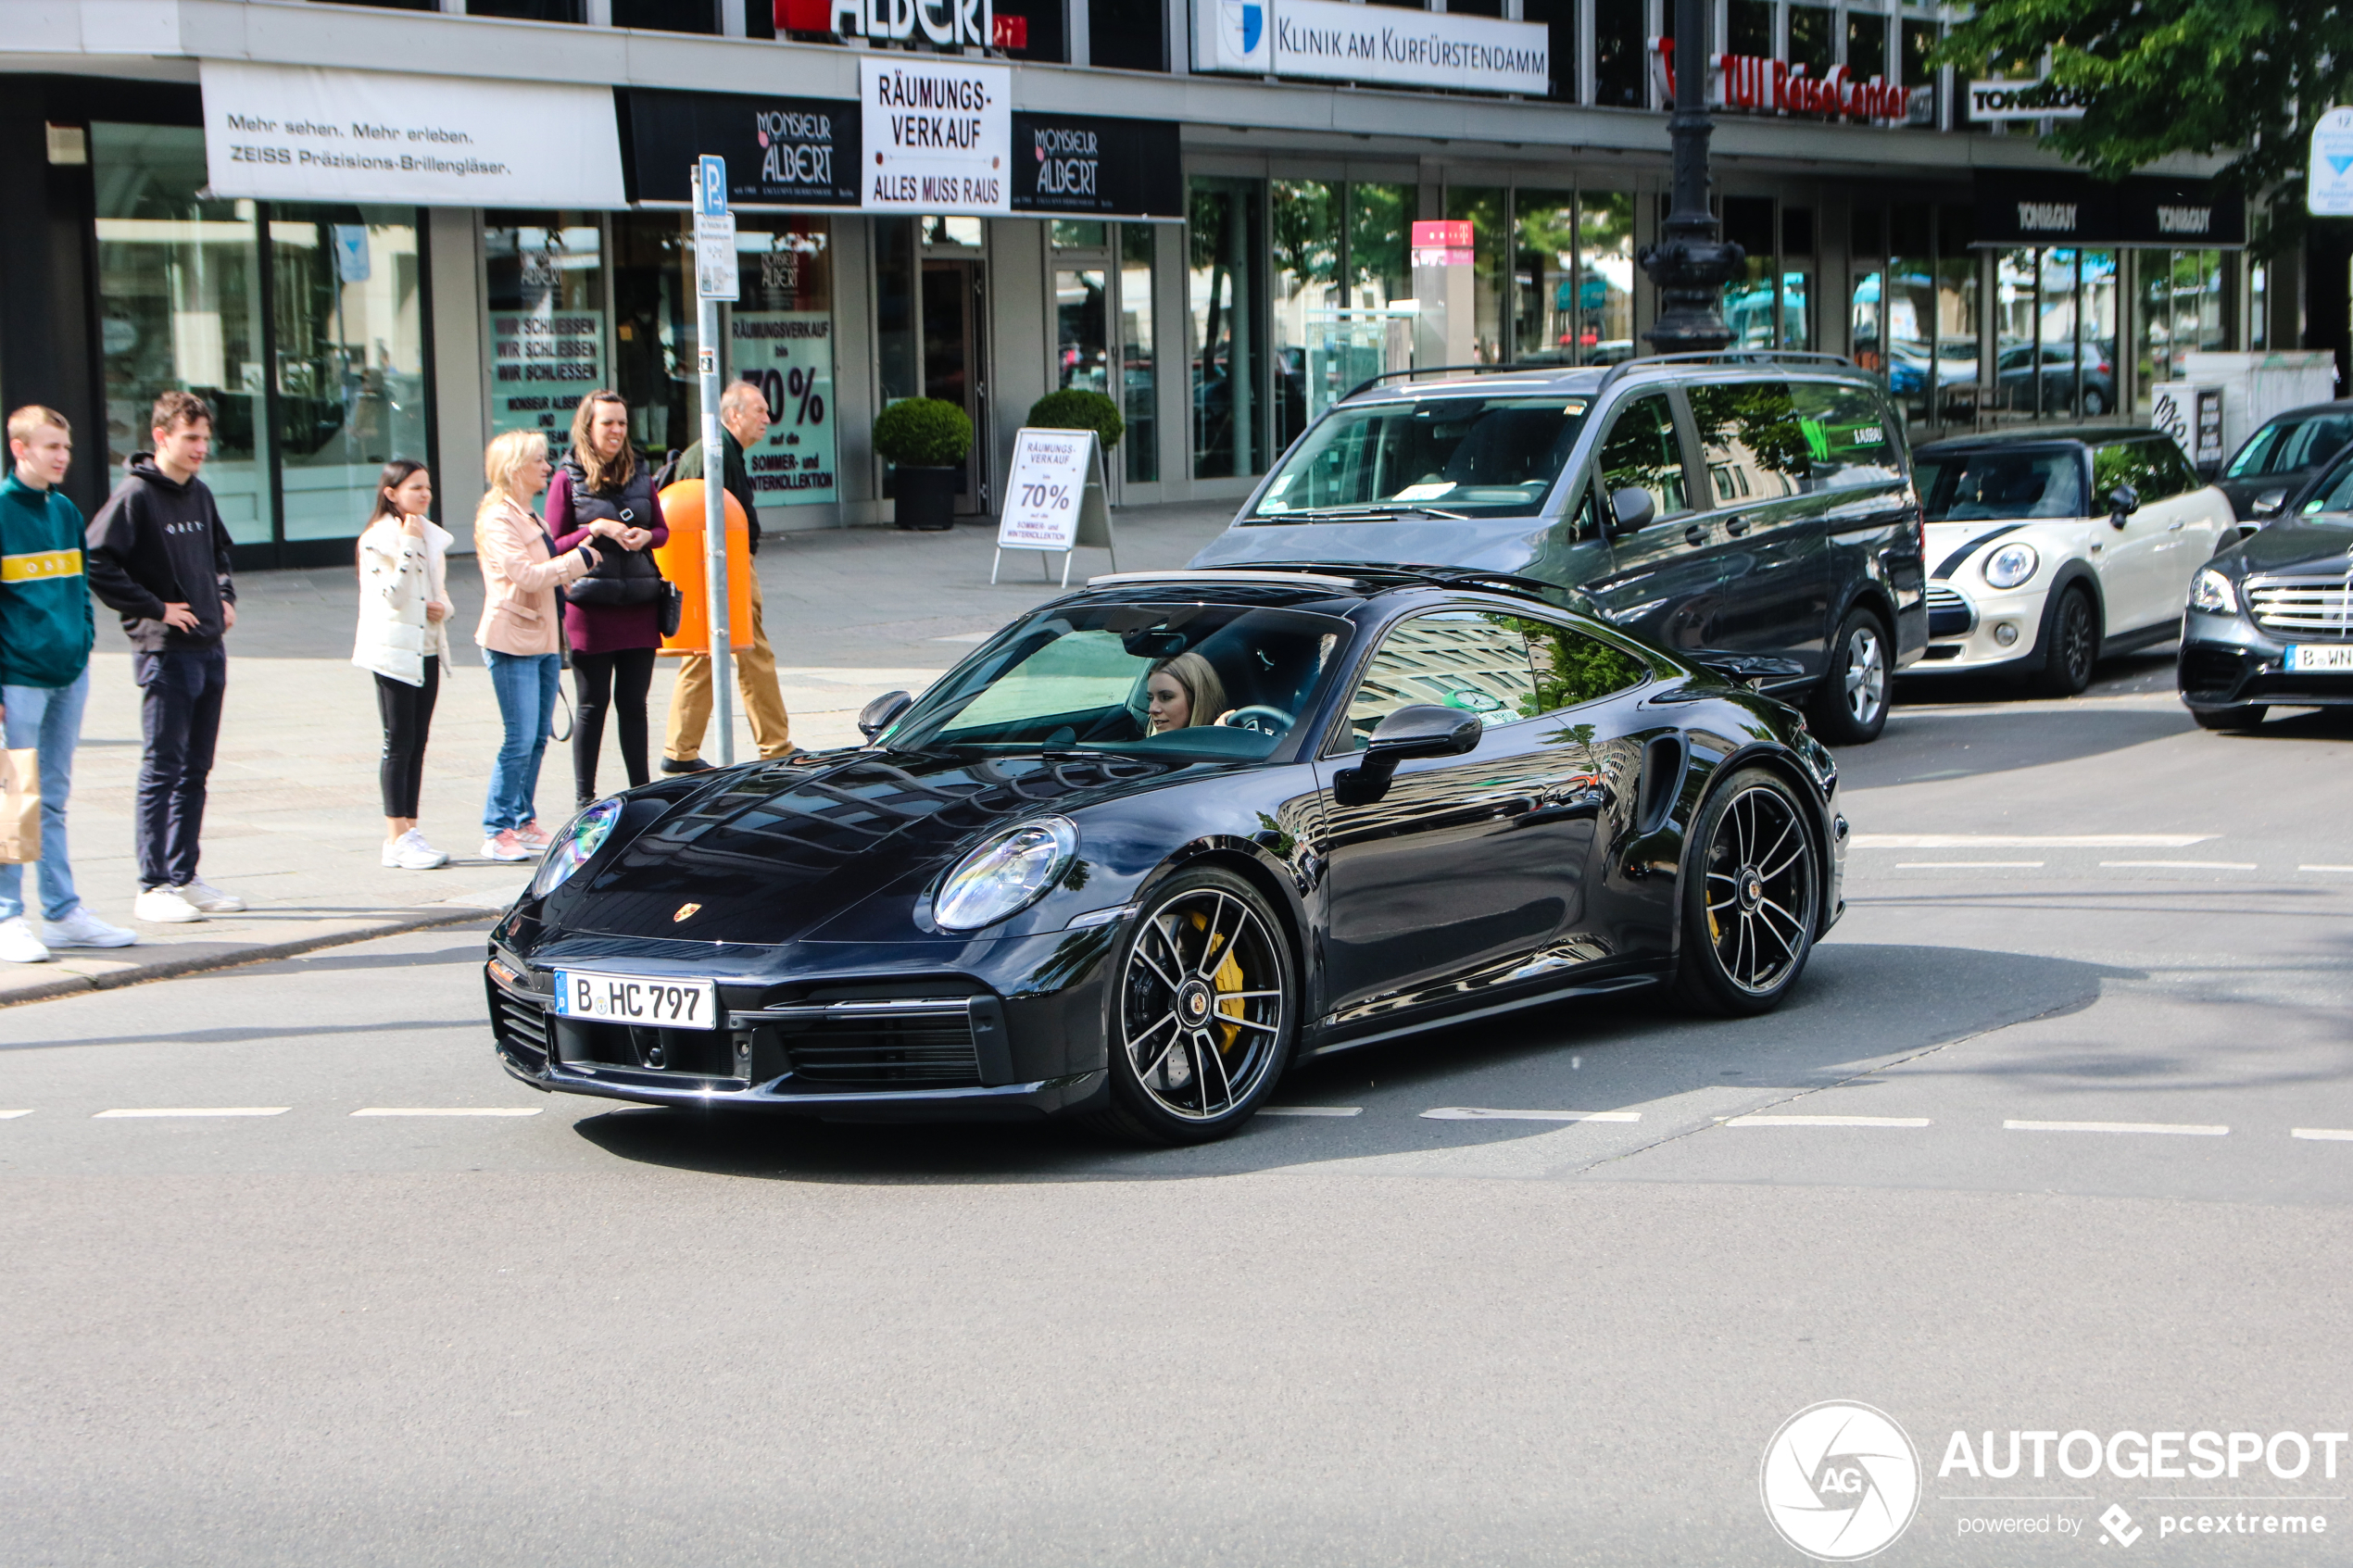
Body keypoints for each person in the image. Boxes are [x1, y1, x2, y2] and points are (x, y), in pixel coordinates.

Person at [84, 391, 245, 925]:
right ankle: (152, 885)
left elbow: (219, 554)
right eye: (191, 438)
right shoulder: (135, 496)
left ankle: (184, 876)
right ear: (161, 437)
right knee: (163, 767)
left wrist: (224, 597)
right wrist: (155, 608)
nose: (201, 447)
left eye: (205, 438)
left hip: (208, 648)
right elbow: (98, 560)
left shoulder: (198, 494)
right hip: (165, 653)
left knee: (197, 768)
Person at [0, 407, 135, 962]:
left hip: (67, 676)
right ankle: (8, 917)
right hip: (19, 681)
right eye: (51, 447)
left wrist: (82, 642)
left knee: (51, 799)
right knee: (17, 798)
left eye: (66, 448)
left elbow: (80, 587)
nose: (62, 457)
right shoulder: (4, 512)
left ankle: (62, 911)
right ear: (20, 449)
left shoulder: (66, 510)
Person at [473, 428, 600, 863]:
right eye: (539, 461)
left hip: (544, 638)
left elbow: (543, 572)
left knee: (538, 739)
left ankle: (523, 819)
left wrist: (573, 559)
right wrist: (578, 559)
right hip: (512, 639)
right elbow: (527, 574)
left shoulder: (529, 516)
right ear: (514, 468)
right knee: (520, 736)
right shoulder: (498, 519)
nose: (547, 468)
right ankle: (497, 828)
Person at [661, 380, 794, 771]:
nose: (767, 418)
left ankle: (680, 750)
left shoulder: (718, 450)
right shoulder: (716, 452)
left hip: (715, 564)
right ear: (733, 414)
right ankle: (776, 746)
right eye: (759, 411)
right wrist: (729, 570)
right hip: (719, 566)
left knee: (707, 654)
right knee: (750, 651)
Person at [547, 390, 669, 808]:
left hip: (639, 602)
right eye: (607, 423)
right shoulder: (567, 477)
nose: (616, 431)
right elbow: (554, 541)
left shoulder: (640, 473)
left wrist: (646, 536)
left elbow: (664, 529)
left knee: (634, 704)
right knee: (592, 705)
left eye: (621, 423)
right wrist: (595, 528)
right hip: (590, 607)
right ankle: (585, 799)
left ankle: (642, 792)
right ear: (588, 427)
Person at [352, 459, 454, 872]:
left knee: (418, 741)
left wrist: (441, 608)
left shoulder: (433, 536)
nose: (424, 494)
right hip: (394, 651)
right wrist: (409, 544)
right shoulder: (376, 540)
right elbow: (392, 597)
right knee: (398, 742)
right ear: (391, 493)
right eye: (415, 488)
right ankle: (396, 835)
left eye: (427, 487)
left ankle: (411, 829)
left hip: (427, 647)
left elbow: (442, 595)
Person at [1146, 652, 1230, 734]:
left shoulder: (1228, 741)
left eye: (1166, 697)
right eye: (1151, 698)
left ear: (1196, 698)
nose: (1152, 709)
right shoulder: (1145, 746)